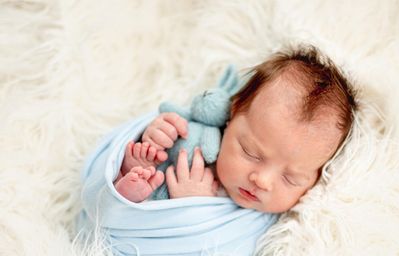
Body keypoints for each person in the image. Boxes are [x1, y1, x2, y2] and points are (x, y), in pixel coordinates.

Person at [114, 45, 357, 213]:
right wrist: (151, 146)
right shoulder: (195, 143)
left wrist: (193, 209)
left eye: (290, 178)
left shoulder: (273, 224)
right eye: (251, 152)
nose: (262, 181)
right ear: (232, 114)